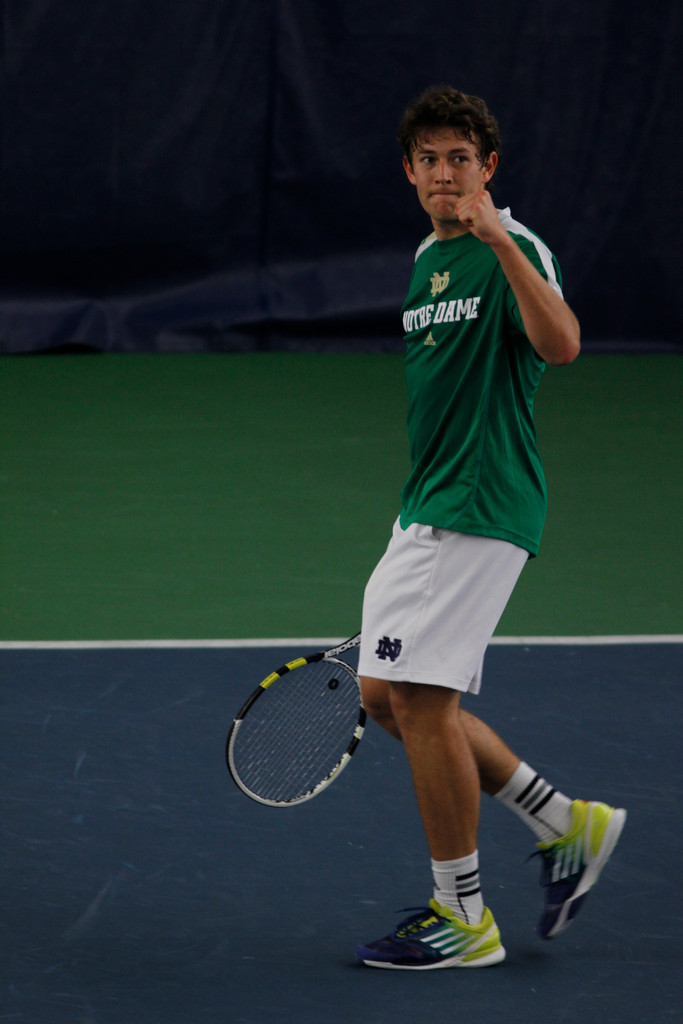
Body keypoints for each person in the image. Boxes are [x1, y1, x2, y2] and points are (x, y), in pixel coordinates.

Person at [354, 85, 626, 970]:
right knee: (381, 698)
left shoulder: (509, 245)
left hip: (481, 500)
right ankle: (563, 822)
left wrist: (502, 240)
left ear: (487, 169)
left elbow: (562, 346)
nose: (443, 173)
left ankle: (462, 915)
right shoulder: (422, 263)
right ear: (409, 171)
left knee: (424, 699)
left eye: (458, 159)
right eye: (427, 159)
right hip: (425, 505)